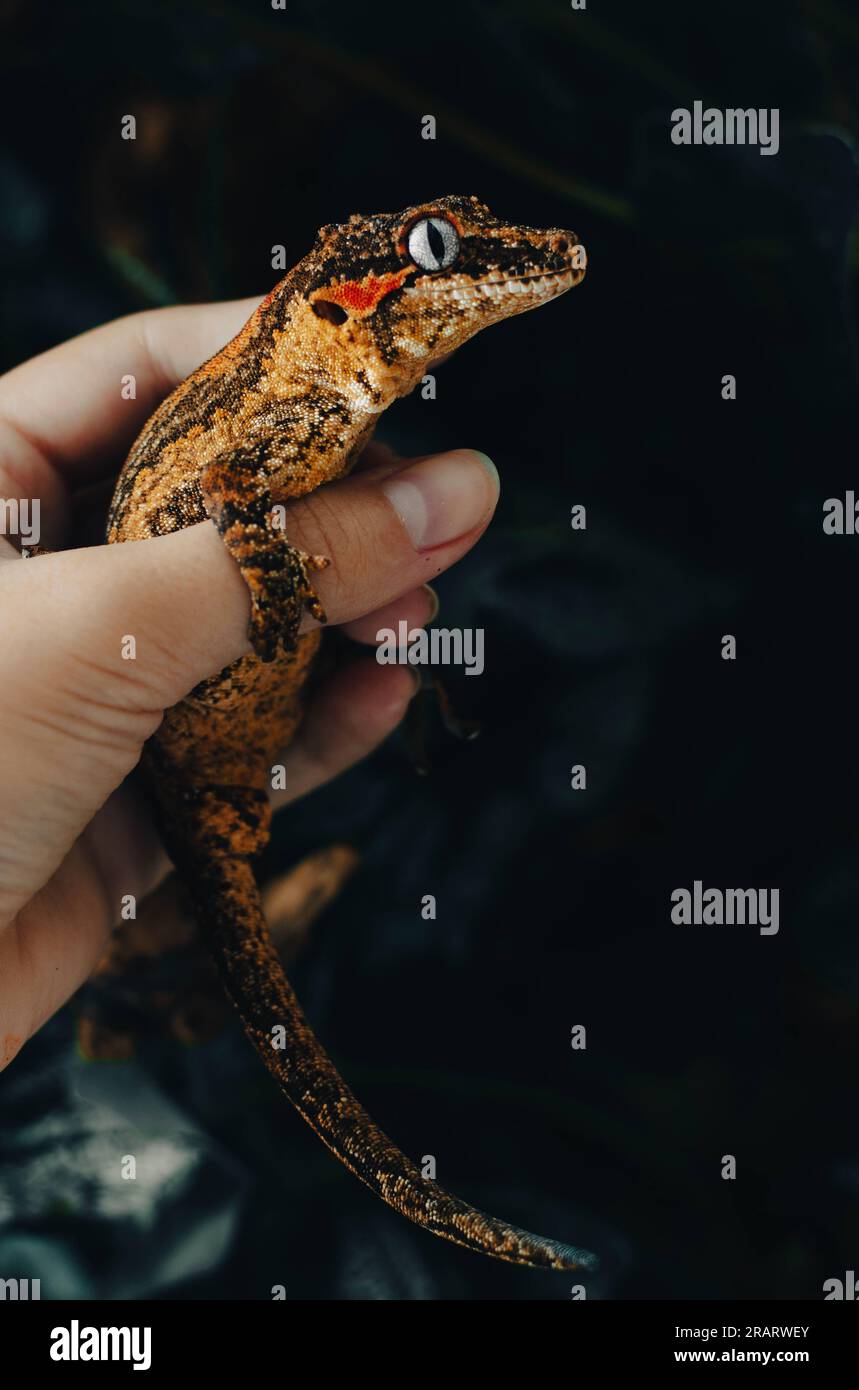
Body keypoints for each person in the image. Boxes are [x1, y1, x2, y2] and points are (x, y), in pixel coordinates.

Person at [0, 296, 500, 1067]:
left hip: (205, 756)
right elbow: (228, 484)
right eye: (433, 249)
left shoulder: (318, 401)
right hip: (191, 753)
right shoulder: (300, 398)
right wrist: (281, 582)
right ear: (336, 307)